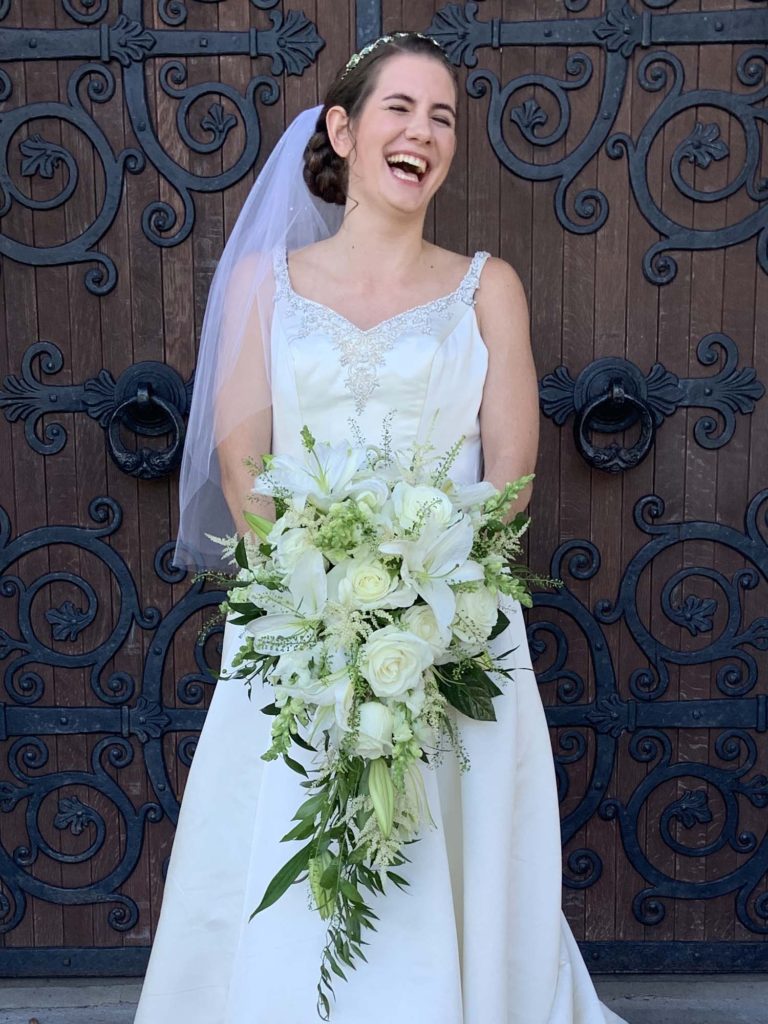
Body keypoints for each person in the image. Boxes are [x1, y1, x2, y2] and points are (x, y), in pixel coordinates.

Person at [133, 31, 629, 1024]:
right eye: (400, 108)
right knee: (289, 838)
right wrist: (324, 618)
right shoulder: (261, 286)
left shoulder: (488, 287)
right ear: (343, 130)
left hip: (453, 621)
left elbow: (510, 479)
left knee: (445, 847)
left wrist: (418, 603)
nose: (423, 132)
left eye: (443, 117)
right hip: (295, 620)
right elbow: (243, 469)